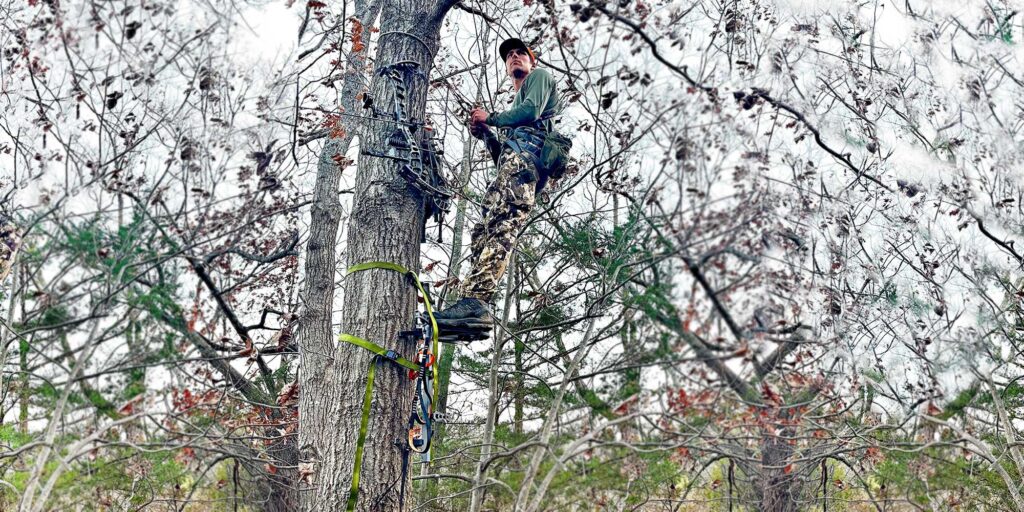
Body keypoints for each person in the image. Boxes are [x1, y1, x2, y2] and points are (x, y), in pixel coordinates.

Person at [433, 37, 563, 334]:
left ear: (532, 62)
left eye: (521, 54)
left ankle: (476, 303)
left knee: (501, 227)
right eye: (510, 56)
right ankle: (470, 308)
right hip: (511, 170)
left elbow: (530, 112)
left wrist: (489, 117)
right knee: (483, 233)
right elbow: (503, 155)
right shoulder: (515, 110)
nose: (515, 57)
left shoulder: (539, 79)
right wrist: (486, 135)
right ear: (506, 67)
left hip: (523, 170)